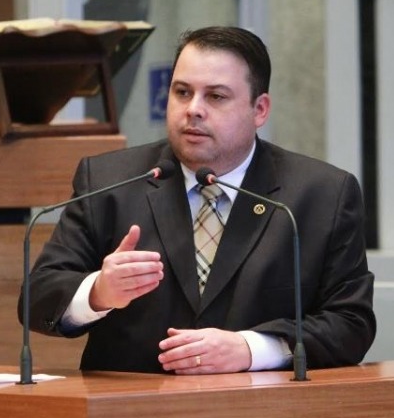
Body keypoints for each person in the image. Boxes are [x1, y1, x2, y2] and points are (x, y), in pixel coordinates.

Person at [19, 26, 375, 374]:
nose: (193, 109)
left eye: (216, 96)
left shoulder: (321, 195)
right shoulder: (109, 181)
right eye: (182, 92)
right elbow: (36, 298)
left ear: (260, 109)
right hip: (131, 404)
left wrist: (251, 349)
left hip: (260, 406)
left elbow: (351, 323)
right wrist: (97, 292)